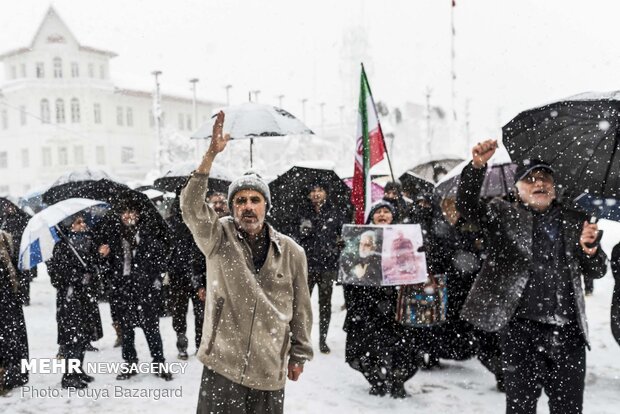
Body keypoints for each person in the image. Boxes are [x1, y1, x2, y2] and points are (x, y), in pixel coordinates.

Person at [457, 139, 607, 414]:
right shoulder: (503, 214)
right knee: (521, 408)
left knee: (569, 409)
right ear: (517, 188)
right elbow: (467, 208)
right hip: (521, 332)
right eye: (531, 180)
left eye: (545, 178)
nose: (540, 184)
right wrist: (477, 166)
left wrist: (590, 249)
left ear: (554, 185)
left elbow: (597, 270)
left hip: (569, 334)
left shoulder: (576, 219)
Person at [181, 111, 313, 414]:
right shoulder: (217, 237)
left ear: (266, 205)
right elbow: (190, 207)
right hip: (222, 363)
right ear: (231, 207)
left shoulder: (292, 252)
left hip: (269, 366)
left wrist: (299, 354)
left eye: (255, 199)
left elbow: (301, 309)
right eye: (240, 201)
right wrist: (210, 156)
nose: (248, 207)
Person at [343, 201, 417, 398]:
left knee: (401, 347)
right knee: (365, 345)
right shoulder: (361, 239)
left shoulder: (404, 237)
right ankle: (376, 380)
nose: (383, 215)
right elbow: (351, 270)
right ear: (371, 217)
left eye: (387, 211)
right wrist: (344, 249)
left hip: (396, 303)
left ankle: (397, 380)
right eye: (378, 212)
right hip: (367, 304)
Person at [96, 200, 173, 381]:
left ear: (138, 215)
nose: (128, 216)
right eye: (125, 212)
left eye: (132, 212)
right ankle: (130, 363)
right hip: (123, 290)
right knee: (126, 330)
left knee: (151, 329)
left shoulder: (149, 235)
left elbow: (161, 262)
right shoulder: (114, 237)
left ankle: (159, 363)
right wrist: (103, 257)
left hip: (145, 291)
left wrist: (156, 283)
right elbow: (105, 268)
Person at [288, 183, 347, 354]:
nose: (316, 193)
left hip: (327, 266)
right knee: (301, 304)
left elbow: (342, 237)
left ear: (326, 193)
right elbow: (292, 237)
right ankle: (300, 338)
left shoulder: (335, 212)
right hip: (306, 266)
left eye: (320, 190)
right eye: (312, 190)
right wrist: (302, 233)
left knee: (325, 304)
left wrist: (338, 245)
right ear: (308, 195)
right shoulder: (301, 213)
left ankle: (323, 340)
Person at [47, 215, 102, 388]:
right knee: (73, 337)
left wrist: (99, 257)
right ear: (69, 225)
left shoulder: (86, 241)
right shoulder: (61, 247)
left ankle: (78, 370)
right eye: (78, 222)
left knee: (83, 336)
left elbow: (93, 266)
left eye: (82, 221)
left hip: (85, 297)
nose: (82, 225)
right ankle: (69, 376)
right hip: (69, 299)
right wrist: (79, 277)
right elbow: (58, 278)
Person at [167, 196, 206, 360]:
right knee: (181, 313)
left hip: (196, 275)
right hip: (181, 276)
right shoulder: (173, 224)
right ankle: (185, 345)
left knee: (199, 314)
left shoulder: (199, 222)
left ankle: (198, 345)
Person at [0, 229, 28, 395]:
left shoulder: (6, 238)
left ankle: (9, 375)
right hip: (8, 301)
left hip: (9, 300)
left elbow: (17, 269)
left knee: (11, 340)